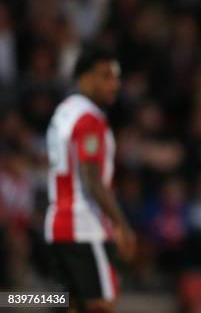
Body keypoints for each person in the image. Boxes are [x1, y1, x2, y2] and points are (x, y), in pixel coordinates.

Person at [45, 46, 136, 313]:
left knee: (71, 305)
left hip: (57, 226)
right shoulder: (90, 119)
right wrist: (123, 226)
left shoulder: (63, 111)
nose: (114, 84)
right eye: (105, 76)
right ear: (83, 77)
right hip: (84, 227)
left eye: (116, 77)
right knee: (102, 305)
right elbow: (91, 178)